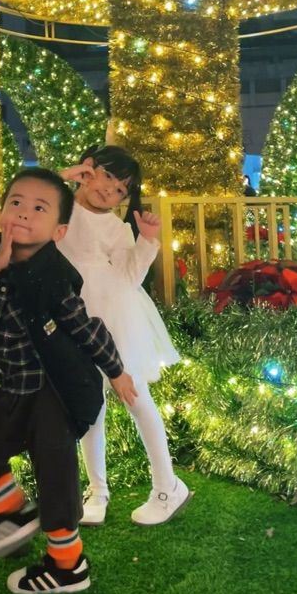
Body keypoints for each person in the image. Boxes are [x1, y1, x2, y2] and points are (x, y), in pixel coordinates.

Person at [0, 167, 137, 594]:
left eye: (39, 208)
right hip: (11, 388)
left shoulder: (53, 276)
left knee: (56, 471)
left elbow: (85, 327)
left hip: (54, 390)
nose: (23, 213)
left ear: (58, 232)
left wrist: (116, 370)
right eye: (15, 203)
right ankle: (14, 510)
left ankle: (68, 566)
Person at [58, 145, 190, 527]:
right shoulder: (58, 207)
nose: (110, 190)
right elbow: (29, 205)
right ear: (88, 169)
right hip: (70, 315)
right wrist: (64, 177)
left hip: (114, 316)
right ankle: (97, 490)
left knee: (136, 397)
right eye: (107, 177)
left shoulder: (116, 228)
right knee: (88, 404)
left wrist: (147, 241)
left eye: (121, 189)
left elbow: (130, 277)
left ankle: (167, 485)